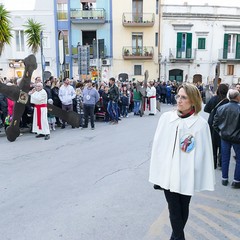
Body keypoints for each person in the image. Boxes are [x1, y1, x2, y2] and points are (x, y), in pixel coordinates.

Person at [149, 83, 215, 240]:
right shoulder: (166, 118)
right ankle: (178, 238)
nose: (179, 100)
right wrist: (160, 171)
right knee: (173, 207)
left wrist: (197, 175)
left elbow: (203, 154)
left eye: (184, 97)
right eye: (178, 96)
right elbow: (158, 147)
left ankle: (176, 237)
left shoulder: (200, 125)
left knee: (183, 207)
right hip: (169, 174)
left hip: (187, 174)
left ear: (193, 101)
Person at [213, 89, 240, 188]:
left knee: (225, 158)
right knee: (239, 159)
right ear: (237, 97)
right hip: (237, 138)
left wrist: (220, 132)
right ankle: (236, 181)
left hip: (224, 137)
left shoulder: (221, 108)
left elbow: (215, 123)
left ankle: (224, 179)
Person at [204, 84, 229, 169]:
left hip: (212, 123)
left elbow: (206, 109)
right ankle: (221, 163)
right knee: (222, 143)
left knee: (213, 143)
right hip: (223, 124)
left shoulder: (214, 99)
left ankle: (213, 163)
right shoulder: (227, 101)